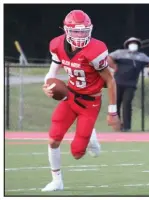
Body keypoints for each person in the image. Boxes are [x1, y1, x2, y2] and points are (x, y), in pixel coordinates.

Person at [42, 10, 120, 192]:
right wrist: (46, 85)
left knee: (77, 153)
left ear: (90, 30)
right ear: (66, 30)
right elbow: (52, 72)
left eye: (84, 31)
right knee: (53, 139)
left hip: (90, 103)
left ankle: (91, 134)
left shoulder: (96, 50)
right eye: (76, 31)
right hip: (70, 96)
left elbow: (110, 80)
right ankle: (57, 181)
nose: (80, 35)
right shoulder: (57, 44)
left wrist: (112, 112)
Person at [108, 37, 149, 132]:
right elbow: (108, 58)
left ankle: (127, 126)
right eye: (131, 43)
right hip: (117, 83)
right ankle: (117, 126)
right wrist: (114, 66)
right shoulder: (119, 53)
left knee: (127, 103)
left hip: (131, 84)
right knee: (116, 103)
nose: (133, 44)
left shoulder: (141, 56)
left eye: (135, 43)